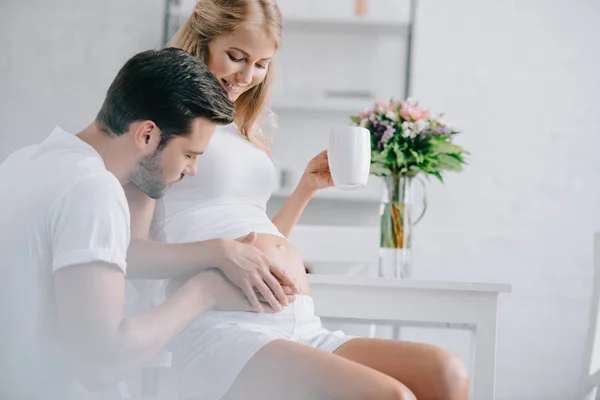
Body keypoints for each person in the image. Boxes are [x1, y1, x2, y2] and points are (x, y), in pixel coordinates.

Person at [125, 1, 471, 399]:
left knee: (447, 373)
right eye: (236, 57)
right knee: (392, 396)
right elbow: (134, 255)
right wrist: (220, 253)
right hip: (222, 327)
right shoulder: (160, 125)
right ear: (202, 41)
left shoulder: (240, 128)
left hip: (298, 322)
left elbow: (256, 239)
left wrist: (305, 188)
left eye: (261, 63)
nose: (247, 75)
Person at [0, 47, 247, 399]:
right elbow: (100, 365)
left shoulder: (24, 161)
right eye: (190, 155)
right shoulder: (93, 190)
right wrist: (204, 292)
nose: (191, 170)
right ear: (147, 134)